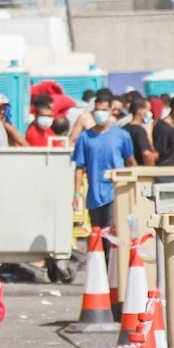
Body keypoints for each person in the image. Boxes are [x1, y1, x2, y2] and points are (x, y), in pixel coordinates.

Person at [73, 94, 137, 261]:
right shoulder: (85, 138)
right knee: (96, 234)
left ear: (111, 111)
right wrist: (77, 194)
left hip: (116, 191)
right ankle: (98, 270)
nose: (100, 113)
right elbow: (79, 167)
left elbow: (131, 161)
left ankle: (113, 271)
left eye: (104, 110)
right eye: (98, 110)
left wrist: (135, 184)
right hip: (95, 194)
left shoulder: (121, 135)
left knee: (112, 231)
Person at [122, 98, 157, 165]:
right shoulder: (140, 131)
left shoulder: (123, 128)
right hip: (138, 170)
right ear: (140, 111)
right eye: (148, 110)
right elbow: (146, 154)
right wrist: (151, 170)